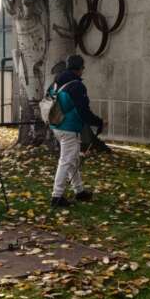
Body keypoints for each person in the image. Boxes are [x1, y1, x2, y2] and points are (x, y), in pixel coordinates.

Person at [47, 53, 103, 208]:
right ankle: (56, 196)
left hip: (56, 125)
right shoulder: (77, 86)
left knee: (73, 160)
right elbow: (83, 111)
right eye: (83, 68)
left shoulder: (56, 82)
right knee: (66, 161)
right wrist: (98, 122)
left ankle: (79, 191)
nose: (83, 71)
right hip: (69, 127)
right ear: (79, 69)